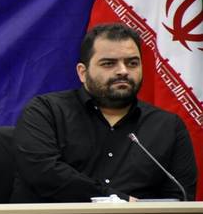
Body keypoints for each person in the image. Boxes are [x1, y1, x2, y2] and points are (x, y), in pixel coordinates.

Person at [10, 23, 197, 202]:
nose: (123, 71)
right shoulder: (46, 111)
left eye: (132, 63)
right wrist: (117, 201)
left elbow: (179, 198)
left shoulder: (168, 126)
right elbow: (42, 174)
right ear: (82, 73)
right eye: (108, 64)